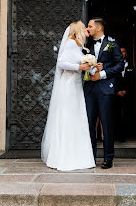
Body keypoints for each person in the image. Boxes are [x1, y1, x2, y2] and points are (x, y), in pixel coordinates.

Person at [41, 21, 95, 171]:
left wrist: (93, 67)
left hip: (76, 85)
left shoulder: (78, 46)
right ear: (78, 30)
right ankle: (65, 158)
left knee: (77, 118)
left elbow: (81, 67)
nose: (86, 29)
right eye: (84, 27)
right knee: (69, 118)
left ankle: (78, 156)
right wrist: (80, 67)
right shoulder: (71, 43)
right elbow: (61, 63)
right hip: (70, 85)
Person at [84, 18, 124, 169]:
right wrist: (90, 70)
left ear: (99, 28)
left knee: (106, 124)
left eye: (90, 26)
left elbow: (120, 65)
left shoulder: (111, 44)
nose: (88, 28)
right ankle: (90, 157)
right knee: (89, 124)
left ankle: (108, 158)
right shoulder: (86, 45)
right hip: (89, 89)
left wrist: (102, 73)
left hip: (106, 88)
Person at [114, 47, 135, 142]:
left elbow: (133, 80)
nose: (122, 53)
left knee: (127, 113)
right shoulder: (114, 64)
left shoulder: (131, 65)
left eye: (123, 52)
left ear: (126, 53)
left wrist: (126, 90)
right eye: (120, 52)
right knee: (116, 113)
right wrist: (117, 91)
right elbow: (112, 78)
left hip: (127, 93)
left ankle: (126, 135)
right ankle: (117, 135)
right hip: (116, 93)